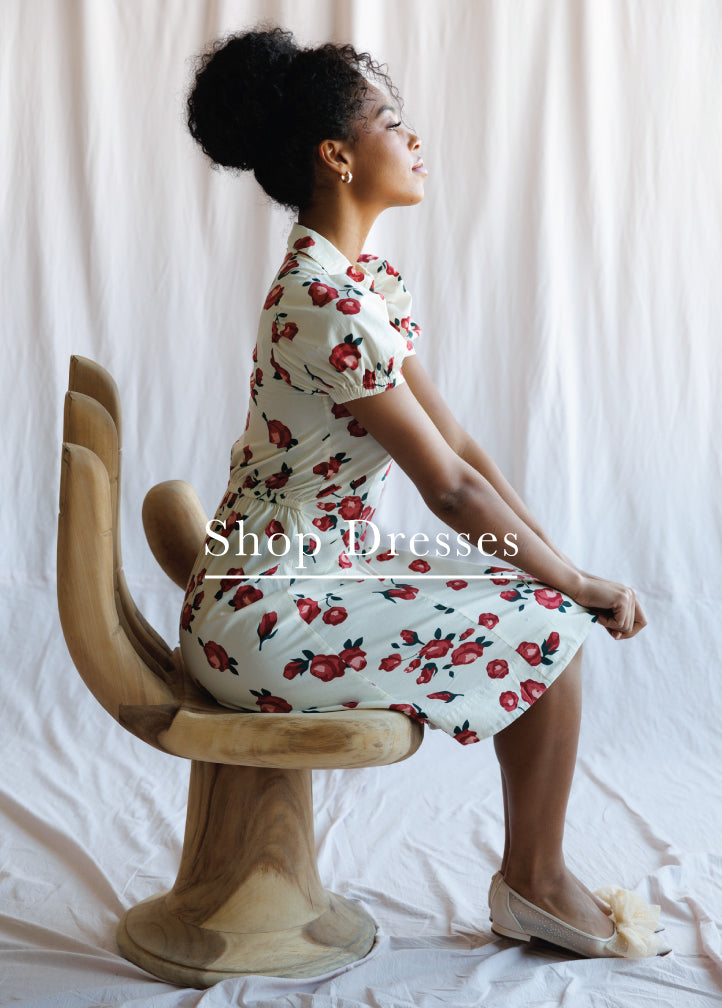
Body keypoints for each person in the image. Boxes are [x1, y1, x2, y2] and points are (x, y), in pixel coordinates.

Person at [180, 26, 668, 960]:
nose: (413, 143)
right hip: (268, 606)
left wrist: (568, 569)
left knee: (545, 602)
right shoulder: (323, 303)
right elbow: (445, 491)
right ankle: (535, 882)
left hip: (310, 573)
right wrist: (578, 586)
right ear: (338, 156)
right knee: (553, 621)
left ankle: (533, 876)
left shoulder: (360, 284)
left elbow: (465, 451)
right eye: (391, 124)